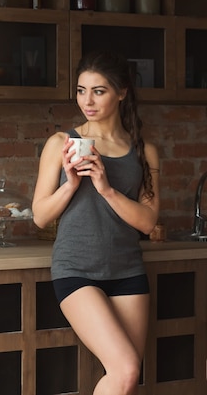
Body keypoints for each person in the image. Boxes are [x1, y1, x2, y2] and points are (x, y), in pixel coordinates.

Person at [32, 50, 160, 395]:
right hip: (76, 269)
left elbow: (147, 222)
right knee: (126, 367)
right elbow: (40, 216)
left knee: (127, 379)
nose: (87, 101)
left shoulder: (143, 152)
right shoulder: (60, 143)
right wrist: (71, 184)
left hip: (127, 270)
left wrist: (105, 188)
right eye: (80, 90)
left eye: (99, 91)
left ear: (122, 92)